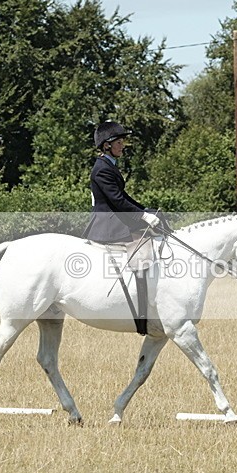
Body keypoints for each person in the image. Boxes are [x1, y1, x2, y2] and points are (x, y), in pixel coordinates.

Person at [83, 121, 160, 336]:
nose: (123, 145)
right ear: (107, 145)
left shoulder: (109, 165)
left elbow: (124, 198)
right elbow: (117, 201)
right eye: (119, 142)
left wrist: (146, 210)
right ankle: (143, 310)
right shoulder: (101, 169)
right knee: (143, 249)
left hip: (118, 218)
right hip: (109, 224)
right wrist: (142, 216)